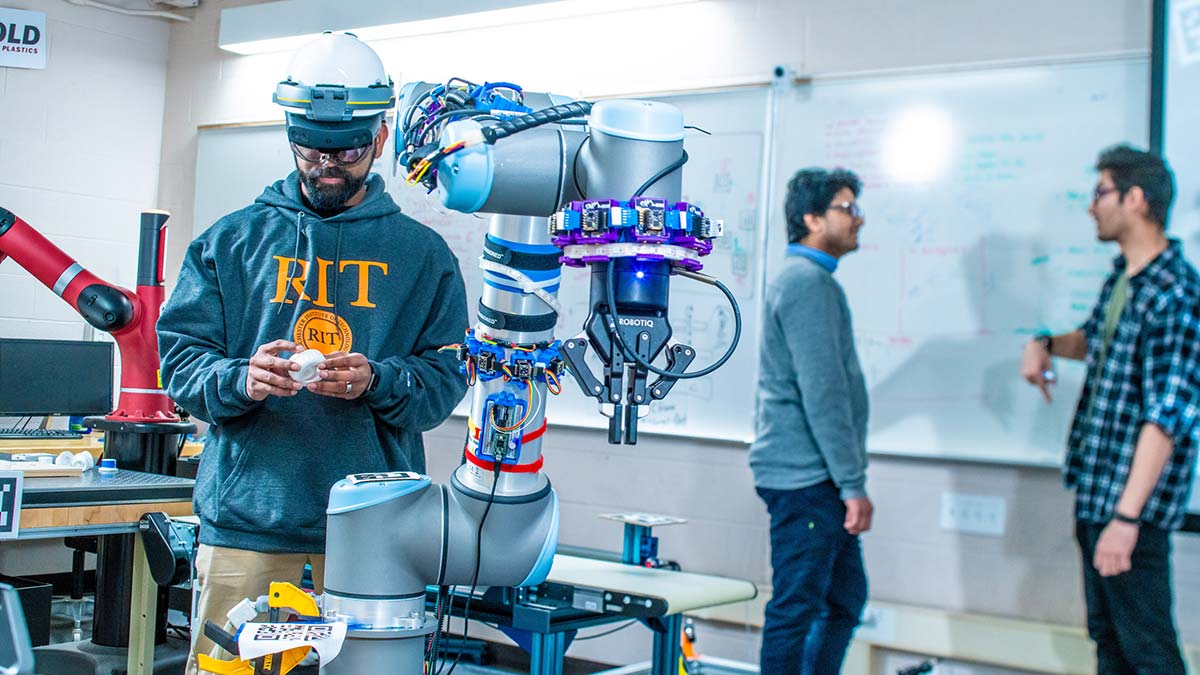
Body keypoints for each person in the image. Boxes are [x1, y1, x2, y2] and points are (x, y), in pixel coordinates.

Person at [157, 33, 468, 673]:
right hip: (247, 529)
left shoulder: (424, 257)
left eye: (348, 150)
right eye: (311, 149)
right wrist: (241, 377)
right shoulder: (230, 242)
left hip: (372, 537)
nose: (327, 165)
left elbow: (444, 380)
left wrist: (380, 381)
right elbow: (180, 364)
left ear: (380, 139)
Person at [1021, 145, 1199, 674]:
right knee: (1111, 643)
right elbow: (1094, 341)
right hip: (1097, 497)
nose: (1091, 206)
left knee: (1149, 652)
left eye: (1100, 193)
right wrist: (1045, 343)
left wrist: (1127, 517)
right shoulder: (1124, 279)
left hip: (1130, 511)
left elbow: (1167, 417)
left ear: (1135, 198)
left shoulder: (1176, 293)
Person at [749, 167, 872, 674]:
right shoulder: (806, 283)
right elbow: (823, 392)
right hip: (808, 478)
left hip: (815, 475)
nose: (858, 220)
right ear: (811, 218)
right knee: (795, 608)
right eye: (847, 208)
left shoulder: (812, 280)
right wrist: (852, 483)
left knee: (843, 600)